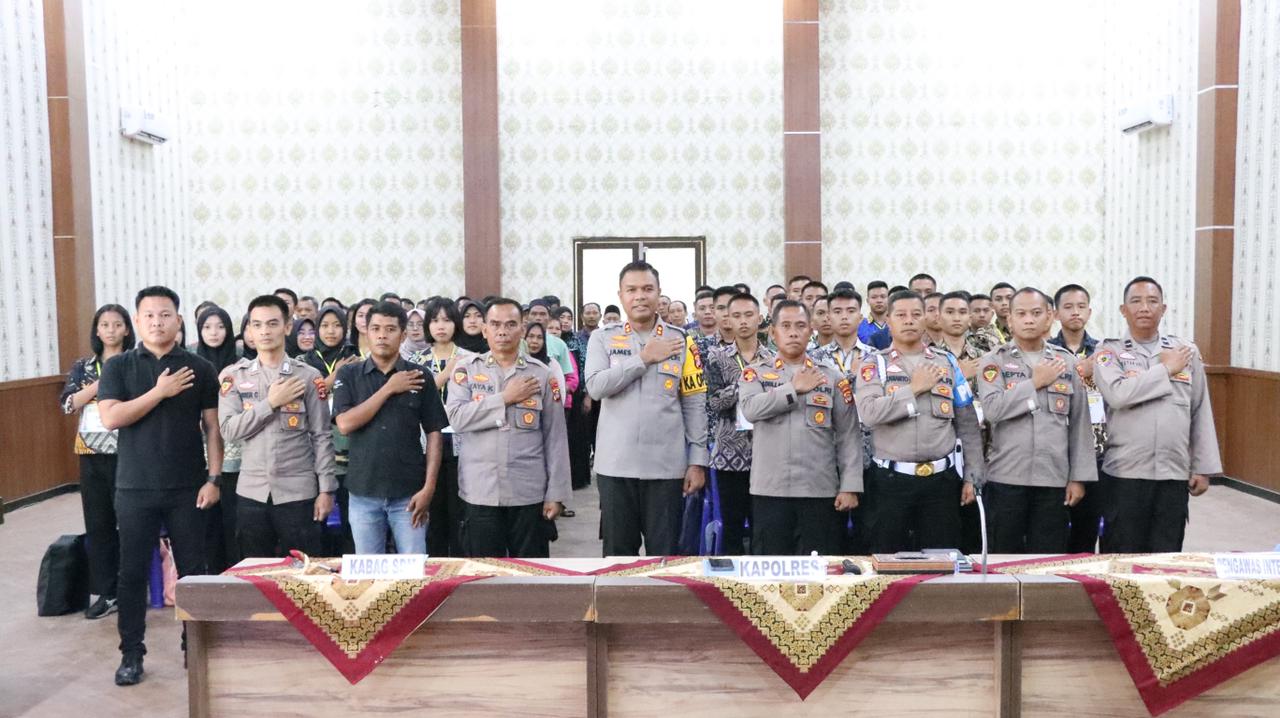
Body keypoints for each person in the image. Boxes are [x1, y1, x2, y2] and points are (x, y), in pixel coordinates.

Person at [97, 286, 222, 687]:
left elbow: (212, 428)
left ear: (178, 320)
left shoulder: (199, 368)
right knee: (131, 573)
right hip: (134, 488)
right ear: (137, 321)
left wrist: (214, 478)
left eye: (165, 314)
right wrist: (159, 392)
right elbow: (111, 418)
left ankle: (195, 647)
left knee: (194, 573)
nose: (157, 322)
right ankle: (131, 653)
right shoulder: (118, 367)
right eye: (149, 315)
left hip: (188, 488)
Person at [585, 261, 708, 556]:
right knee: (617, 556)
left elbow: (694, 403)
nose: (640, 296)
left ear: (659, 292)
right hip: (616, 466)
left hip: (666, 468)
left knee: (665, 555)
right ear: (621, 295)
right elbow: (596, 387)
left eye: (647, 289)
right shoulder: (602, 338)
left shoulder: (682, 340)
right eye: (632, 290)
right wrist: (643, 358)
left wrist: (697, 461)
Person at [1093, 277, 1221, 553]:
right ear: (1123, 310)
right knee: (1121, 553)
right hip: (1125, 473)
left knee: (1167, 554)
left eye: (1152, 301)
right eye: (1136, 301)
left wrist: (1202, 467)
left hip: (1172, 473)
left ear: (1163, 309)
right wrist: (1166, 370)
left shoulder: (1185, 352)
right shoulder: (1108, 351)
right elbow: (1118, 394)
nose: (1144, 308)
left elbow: (1200, 409)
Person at [854, 290, 985, 553]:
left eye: (916, 314)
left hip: (941, 482)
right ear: (888, 320)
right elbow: (869, 414)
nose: (909, 320)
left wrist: (973, 477)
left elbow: (968, 424)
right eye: (901, 315)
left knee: (943, 560)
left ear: (926, 318)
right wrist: (913, 389)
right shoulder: (874, 364)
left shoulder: (946, 362)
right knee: (888, 560)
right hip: (890, 481)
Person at [975, 289, 1097, 553]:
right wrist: (1034, 383)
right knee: (1003, 559)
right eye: (1021, 314)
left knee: (1047, 559)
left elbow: (1080, 424)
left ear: (1049, 317)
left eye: (1036, 313)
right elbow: (992, 410)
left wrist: (1078, 478)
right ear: (1010, 320)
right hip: (1006, 477)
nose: (1029, 319)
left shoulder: (1065, 362)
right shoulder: (993, 361)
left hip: (1053, 479)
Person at [447, 299, 572, 557]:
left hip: (527, 491)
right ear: (484, 330)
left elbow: (556, 437)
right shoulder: (466, 369)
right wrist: (505, 398)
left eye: (510, 324)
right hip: (481, 491)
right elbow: (457, 418)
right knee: (484, 573)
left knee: (531, 573)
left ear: (522, 330)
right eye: (495, 324)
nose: (502, 331)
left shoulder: (542, 375)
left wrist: (556, 493)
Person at [219, 295, 336, 558]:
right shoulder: (234, 376)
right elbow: (228, 430)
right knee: (254, 572)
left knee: (304, 572)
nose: (264, 331)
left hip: (298, 492)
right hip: (252, 491)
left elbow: (321, 435)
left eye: (272, 323)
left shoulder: (308, 377)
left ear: (287, 327)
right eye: (257, 325)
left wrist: (326, 489)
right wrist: (270, 403)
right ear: (249, 330)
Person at [740, 301, 861, 555]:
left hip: (818, 489)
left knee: (821, 568)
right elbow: (750, 410)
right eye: (785, 326)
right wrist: (793, 389)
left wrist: (849, 486)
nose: (793, 333)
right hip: (770, 489)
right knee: (771, 567)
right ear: (773, 333)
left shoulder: (832, 377)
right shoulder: (755, 374)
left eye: (800, 326)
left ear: (811, 331)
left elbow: (849, 435)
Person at [332, 302, 448, 554]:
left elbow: (434, 433)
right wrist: (389, 388)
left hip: (410, 493)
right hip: (363, 492)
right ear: (366, 332)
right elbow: (345, 424)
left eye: (390, 329)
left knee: (413, 569)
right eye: (375, 328)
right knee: (369, 570)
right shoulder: (349, 374)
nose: (382, 335)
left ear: (403, 335)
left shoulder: (420, 376)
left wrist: (429, 488)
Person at [59, 304, 135, 620]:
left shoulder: (135, 362)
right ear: (97, 331)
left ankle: (132, 587)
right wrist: (99, 385)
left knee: (130, 523)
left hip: (129, 454)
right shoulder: (84, 366)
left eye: (117, 324)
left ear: (127, 329)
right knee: (99, 524)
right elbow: (68, 404)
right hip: (91, 455)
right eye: (105, 325)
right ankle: (107, 592)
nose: (111, 330)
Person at [704, 293, 772, 554]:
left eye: (748, 315)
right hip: (729, 454)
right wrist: (746, 382)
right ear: (728, 320)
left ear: (760, 318)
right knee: (732, 526)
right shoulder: (717, 357)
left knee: (764, 526)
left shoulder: (773, 358)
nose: (743, 321)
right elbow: (714, 402)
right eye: (736, 316)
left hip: (767, 453)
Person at [408, 298, 472, 556]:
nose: (441, 326)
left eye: (446, 320)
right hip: (427, 441)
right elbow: (416, 393)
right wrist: (446, 374)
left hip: (462, 440)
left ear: (456, 323)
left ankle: (460, 561)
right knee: (433, 511)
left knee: (459, 510)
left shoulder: (469, 358)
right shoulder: (416, 358)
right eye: (434, 320)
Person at [1048, 283, 1106, 552]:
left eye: (1081, 306)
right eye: (1068, 307)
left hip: (1095, 451)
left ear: (1089, 312)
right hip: (1055, 450)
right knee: (1053, 528)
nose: (1075, 312)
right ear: (1056, 314)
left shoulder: (1103, 353)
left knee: (1087, 529)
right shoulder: (1047, 352)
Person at [195, 306, 242, 573]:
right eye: (207, 327)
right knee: (207, 527)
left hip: (237, 457)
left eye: (220, 326)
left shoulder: (242, 364)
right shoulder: (191, 364)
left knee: (235, 524)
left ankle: (238, 578)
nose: (214, 332)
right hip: (201, 457)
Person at [859, 280, 891, 349]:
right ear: (867, 301)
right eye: (874, 297)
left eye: (883, 296)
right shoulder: (859, 326)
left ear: (889, 299)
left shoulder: (896, 324)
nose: (879, 300)